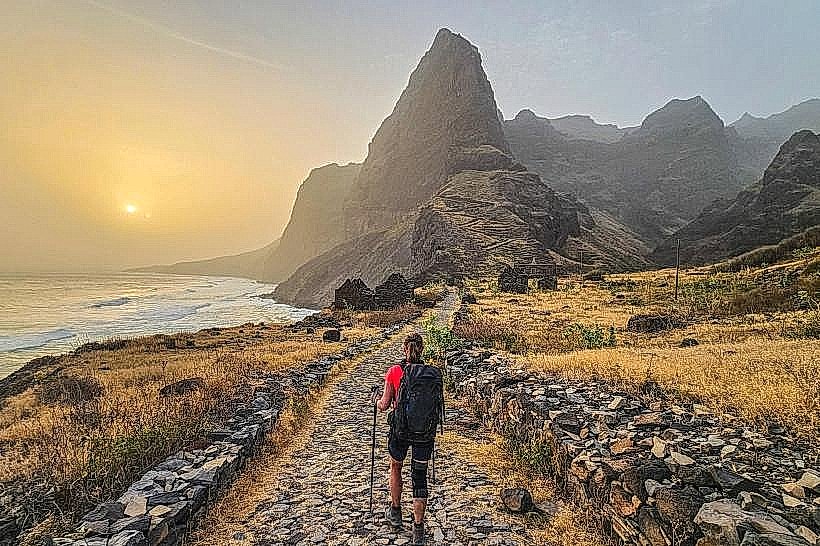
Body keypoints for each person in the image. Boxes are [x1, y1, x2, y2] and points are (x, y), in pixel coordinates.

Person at [373, 332, 439, 545]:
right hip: (424, 434)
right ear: (422, 349)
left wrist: (375, 400)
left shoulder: (394, 371)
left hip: (400, 431)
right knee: (419, 476)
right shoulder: (433, 374)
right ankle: (418, 528)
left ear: (404, 349)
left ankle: (395, 511)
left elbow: (383, 405)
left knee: (396, 467)